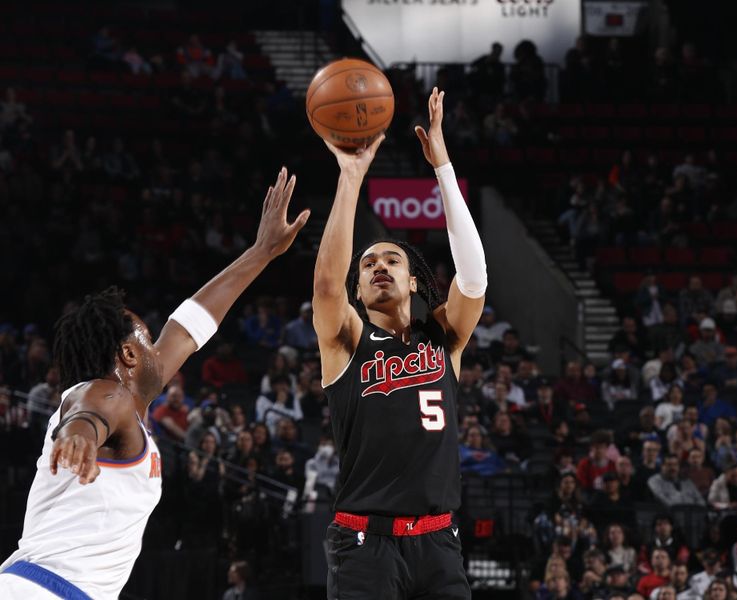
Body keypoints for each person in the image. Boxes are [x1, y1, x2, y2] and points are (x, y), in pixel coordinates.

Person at [0, 168, 308, 598]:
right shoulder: (105, 393)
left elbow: (185, 330)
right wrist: (80, 432)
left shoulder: (128, 402)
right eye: (148, 338)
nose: (158, 348)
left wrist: (261, 252)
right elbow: (90, 410)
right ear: (128, 356)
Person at [313, 88, 485, 598]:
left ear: (413, 281)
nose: (379, 267)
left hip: (439, 545)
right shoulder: (346, 340)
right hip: (365, 545)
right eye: (367, 264)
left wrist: (444, 168)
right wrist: (351, 177)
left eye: (391, 260)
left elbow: (474, 279)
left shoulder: (445, 336)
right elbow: (325, 286)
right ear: (358, 287)